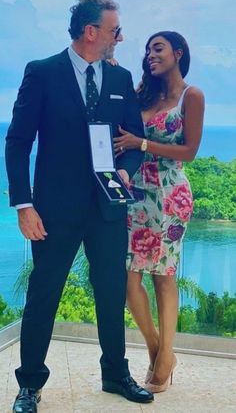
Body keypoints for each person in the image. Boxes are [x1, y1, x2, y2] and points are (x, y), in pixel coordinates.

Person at [5, 0, 154, 411]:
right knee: (44, 294)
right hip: (54, 210)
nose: (119, 37)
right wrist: (24, 204)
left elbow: (134, 141)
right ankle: (30, 385)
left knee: (110, 292)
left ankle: (115, 374)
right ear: (92, 32)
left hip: (108, 207)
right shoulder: (42, 73)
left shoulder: (121, 79)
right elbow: (18, 143)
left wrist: (126, 168)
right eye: (114, 31)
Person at [113, 31, 204, 393]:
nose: (151, 55)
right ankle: (157, 347)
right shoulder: (141, 95)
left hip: (169, 193)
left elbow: (189, 151)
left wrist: (143, 143)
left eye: (158, 48)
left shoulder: (190, 95)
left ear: (178, 52)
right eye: (148, 50)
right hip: (135, 191)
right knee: (128, 277)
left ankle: (165, 357)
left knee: (163, 276)